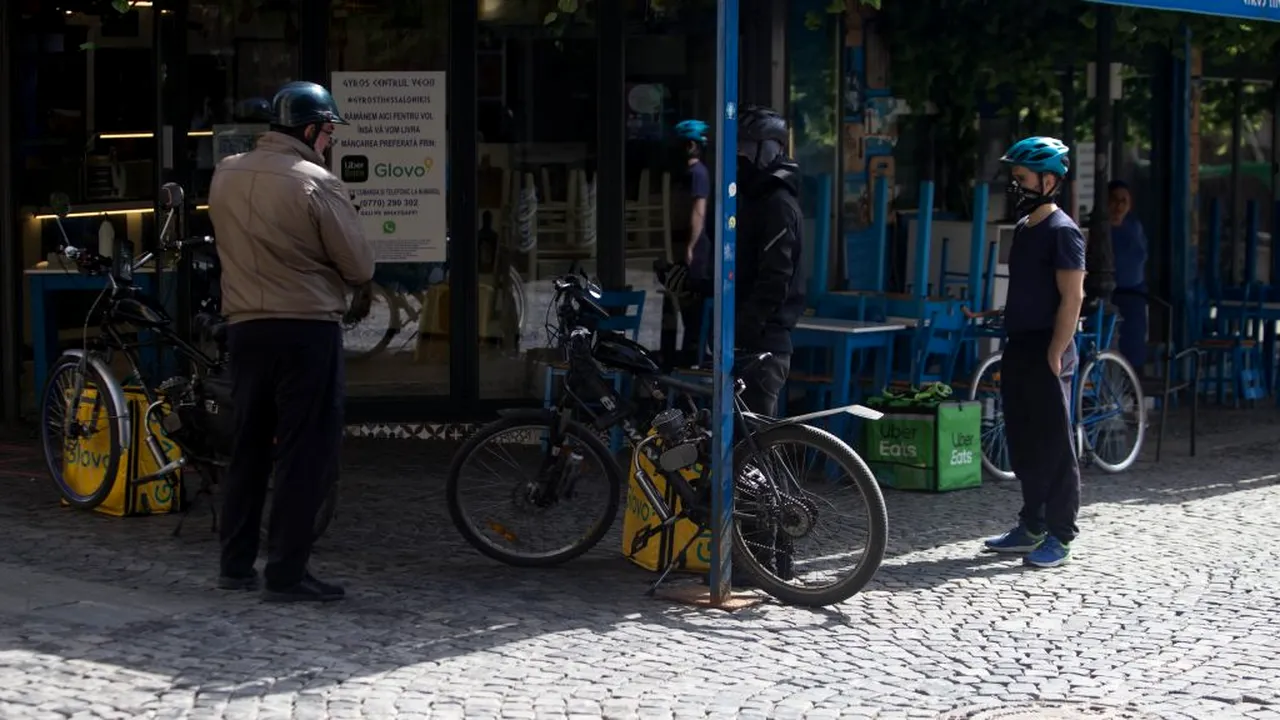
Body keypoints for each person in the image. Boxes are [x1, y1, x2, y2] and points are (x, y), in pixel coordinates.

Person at [209, 80, 374, 601]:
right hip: (306, 327)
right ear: (310, 128)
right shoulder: (315, 183)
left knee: (248, 448)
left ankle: (234, 564)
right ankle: (286, 571)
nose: (329, 141)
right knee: (305, 454)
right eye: (328, 131)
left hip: (245, 325)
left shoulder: (226, 175)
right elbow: (359, 264)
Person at [982, 136, 1086, 569]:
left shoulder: (1063, 231)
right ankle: (1032, 524)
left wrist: (1056, 351)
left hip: (1047, 348)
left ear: (1048, 180)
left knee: (1055, 445)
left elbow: (1072, 297)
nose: (1015, 186)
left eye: (1021, 178)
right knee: (1023, 438)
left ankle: (1060, 535)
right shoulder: (1025, 229)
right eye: (1013, 178)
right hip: (1020, 345)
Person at [734, 105, 805, 417]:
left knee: (754, 445)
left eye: (748, 147)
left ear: (770, 150)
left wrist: (749, 323)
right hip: (747, 340)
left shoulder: (778, 205)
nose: (741, 155)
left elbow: (776, 276)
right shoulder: (755, 202)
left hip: (765, 344)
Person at [671, 119, 714, 365]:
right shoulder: (687, 174)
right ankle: (690, 353)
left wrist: (690, 245)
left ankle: (696, 356)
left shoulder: (698, 174)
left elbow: (698, 210)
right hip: (684, 242)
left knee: (693, 303)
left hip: (695, 247)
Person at [1107, 180, 1149, 374]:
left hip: (1134, 296)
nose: (1119, 206)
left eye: (1124, 201)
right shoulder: (1104, 229)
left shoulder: (1134, 227)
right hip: (1110, 295)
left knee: (1134, 347)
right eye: (1114, 200)